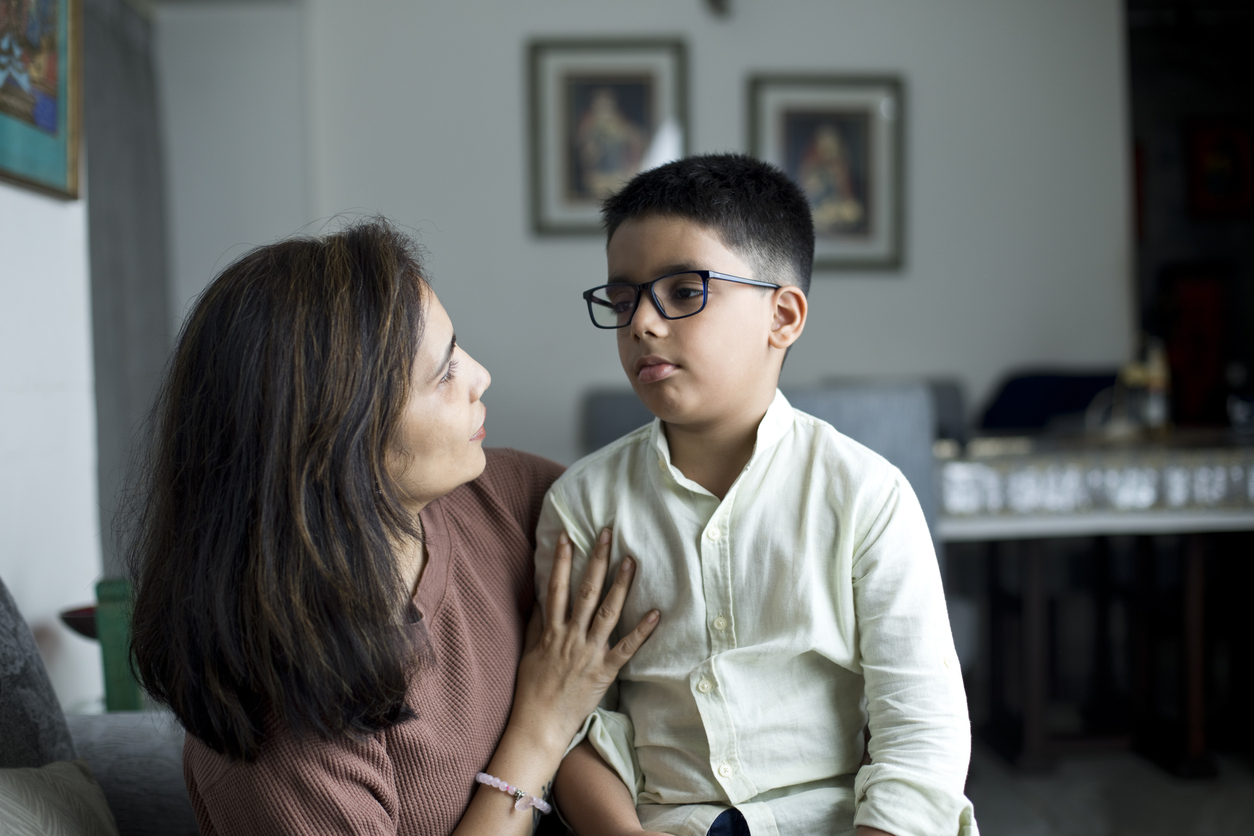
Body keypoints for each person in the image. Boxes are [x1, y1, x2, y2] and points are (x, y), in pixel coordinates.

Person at [124, 219, 659, 836]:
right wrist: (541, 727)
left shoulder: (510, 499)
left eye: (459, 349)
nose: (480, 376)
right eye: (444, 373)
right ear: (334, 442)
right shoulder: (278, 738)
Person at [534, 154, 977, 836]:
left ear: (784, 316)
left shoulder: (867, 496)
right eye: (623, 300)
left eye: (684, 292)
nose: (642, 325)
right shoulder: (584, 505)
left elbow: (921, 727)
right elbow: (570, 727)